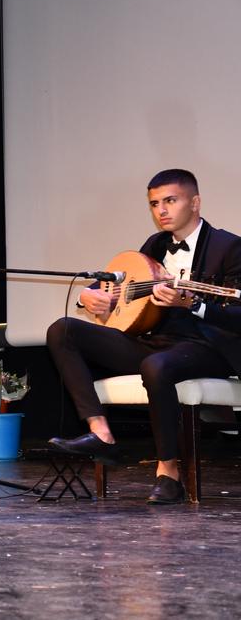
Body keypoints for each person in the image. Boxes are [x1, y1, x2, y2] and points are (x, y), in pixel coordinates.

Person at [47, 169, 241, 504]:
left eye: (170, 200)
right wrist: (88, 296)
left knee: (156, 366)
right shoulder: (155, 245)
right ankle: (101, 433)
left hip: (209, 346)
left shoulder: (229, 247)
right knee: (63, 330)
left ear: (195, 202)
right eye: (154, 203)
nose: (161, 210)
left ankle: (169, 473)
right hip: (158, 342)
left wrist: (193, 304)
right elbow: (119, 282)